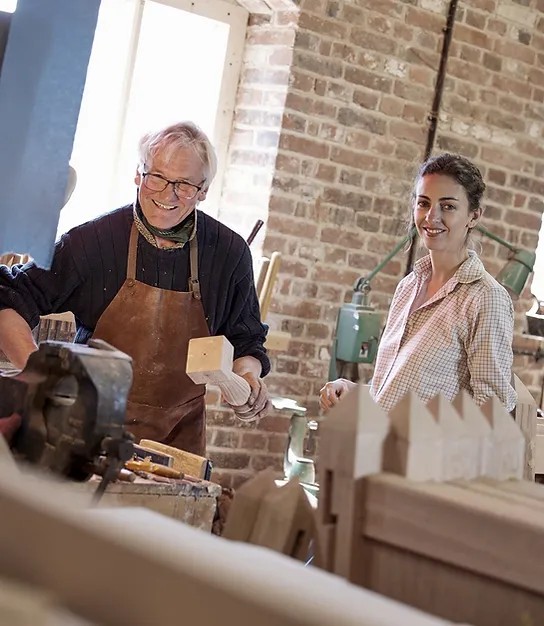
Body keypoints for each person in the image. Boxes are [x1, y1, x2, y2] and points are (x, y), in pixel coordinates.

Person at [0, 121, 271, 455]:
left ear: (203, 190)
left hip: (177, 446)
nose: (167, 195)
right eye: (156, 177)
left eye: (184, 185)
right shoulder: (94, 241)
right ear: (138, 174)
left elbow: (246, 340)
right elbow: (9, 299)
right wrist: (40, 378)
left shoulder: (229, 254)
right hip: (86, 434)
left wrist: (247, 379)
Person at [320, 153, 517, 414]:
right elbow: (408, 393)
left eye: (448, 206)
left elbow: (492, 412)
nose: (431, 217)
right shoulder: (408, 287)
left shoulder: (485, 298)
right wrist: (357, 391)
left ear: (473, 216)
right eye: (424, 203)